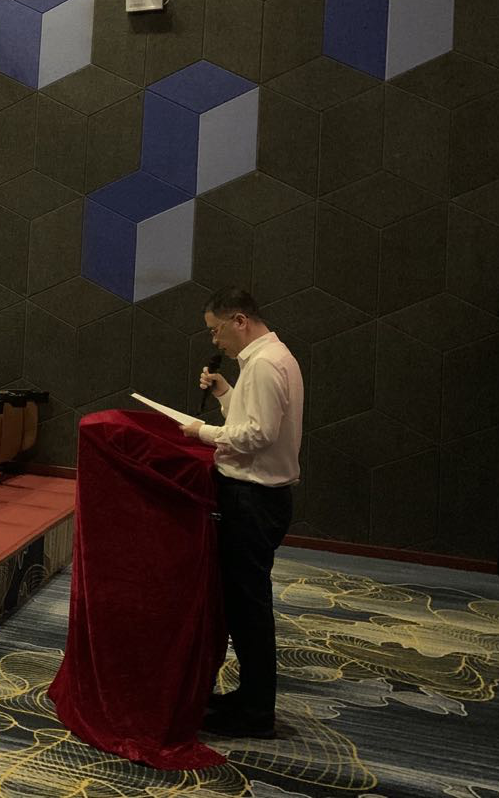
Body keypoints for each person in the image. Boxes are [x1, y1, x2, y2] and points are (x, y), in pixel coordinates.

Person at [179, 287, 304, 740]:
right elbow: (251, 421)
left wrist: (201, 432)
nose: (215, 341)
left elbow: (258, 435)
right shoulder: (266, 360)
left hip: (254, 499)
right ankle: (249, 697)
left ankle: (255, 712)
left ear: (239, 321)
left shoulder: (266, 363)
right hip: (257, 496)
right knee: (243, 606)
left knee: (250, 611)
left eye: (216, 331)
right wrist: (225, 393)